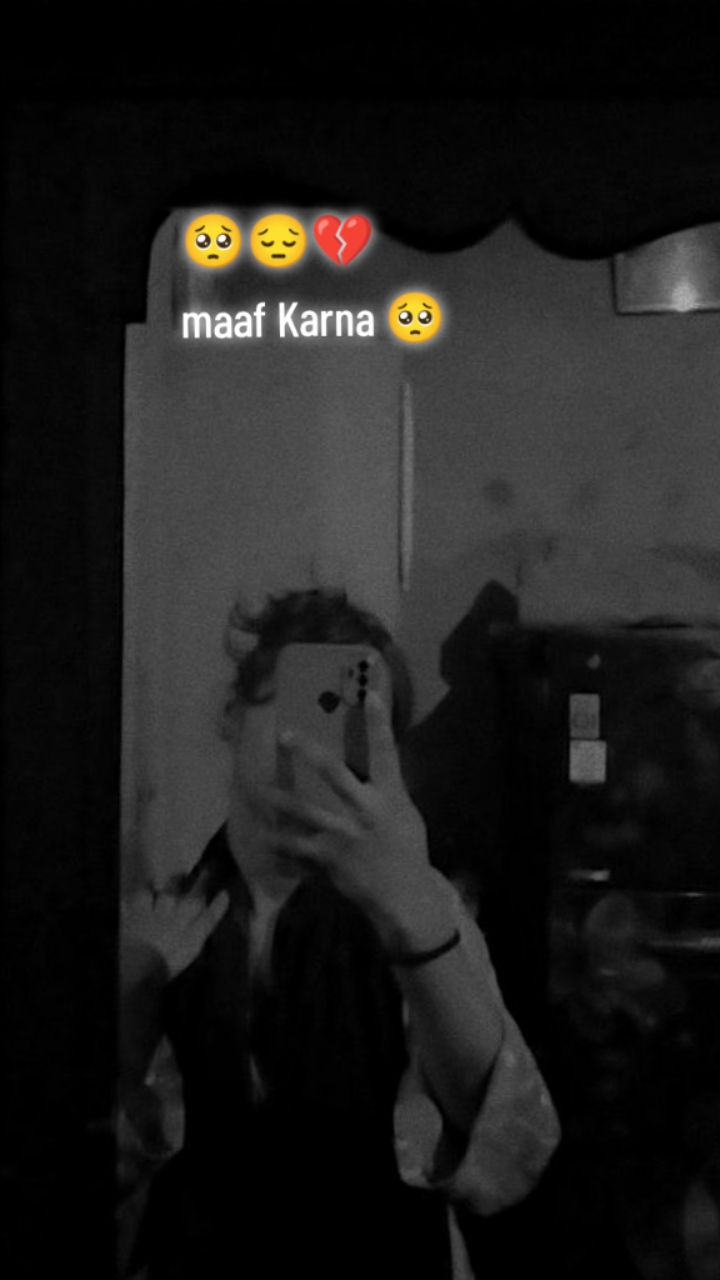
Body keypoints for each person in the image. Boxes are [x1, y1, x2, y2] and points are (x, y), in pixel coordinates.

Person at [118, 589, 561, 1279]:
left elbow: (510, 1152)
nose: (312, 745)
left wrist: (413, 917)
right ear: (233, 715)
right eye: (294, 708)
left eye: (352, 724)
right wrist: (132, 985)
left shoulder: (418, 906)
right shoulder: (162, 918)